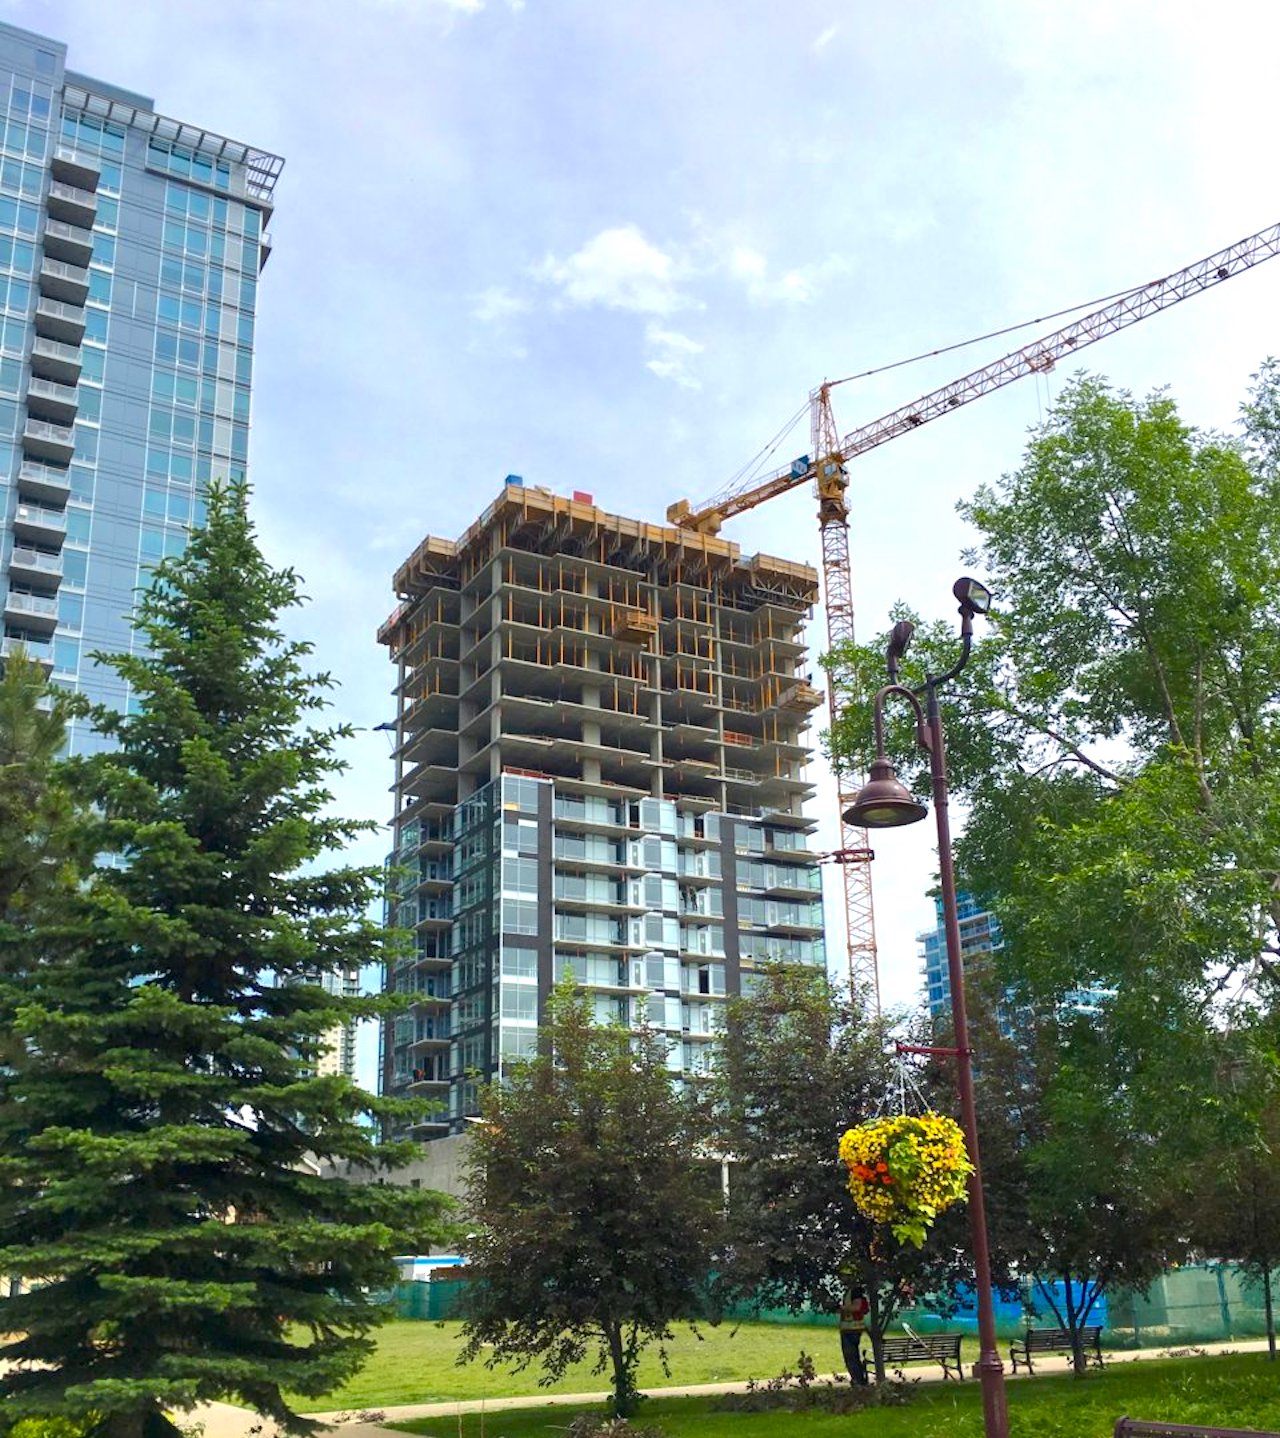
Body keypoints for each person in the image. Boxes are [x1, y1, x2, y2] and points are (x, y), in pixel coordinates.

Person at [839, 1288, 870, 1384]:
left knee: (851, 1357)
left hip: (852, 1329)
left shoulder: (855, 1292)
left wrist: (843, 1308)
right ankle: (858, 1379)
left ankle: (858, 1380)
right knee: (852, 1357)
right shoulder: (850, 1291)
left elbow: (857, 1307)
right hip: (850, 1329)